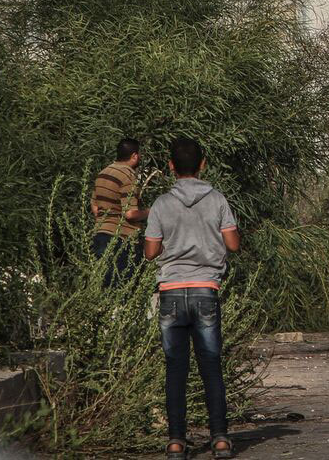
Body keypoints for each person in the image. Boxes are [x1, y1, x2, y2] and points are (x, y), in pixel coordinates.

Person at [143, 137, 239, 460]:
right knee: (211, 366)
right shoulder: (218, 200)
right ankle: (221, 439)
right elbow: (233, 244)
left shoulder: (160, 204)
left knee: (176, 370)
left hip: (170, 294)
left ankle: (175, 442)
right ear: (203, 165)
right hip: (205, 291)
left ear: (170, 166)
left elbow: (151, 251)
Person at [90, 137, 150, 283]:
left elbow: (95, 207)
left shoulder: (103, 173)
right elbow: (130, 214)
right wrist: (151, 211)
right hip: (121, 239)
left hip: (100, 234)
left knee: (105, 287)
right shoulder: (128, 176)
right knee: (122, 285)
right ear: (134, 156)